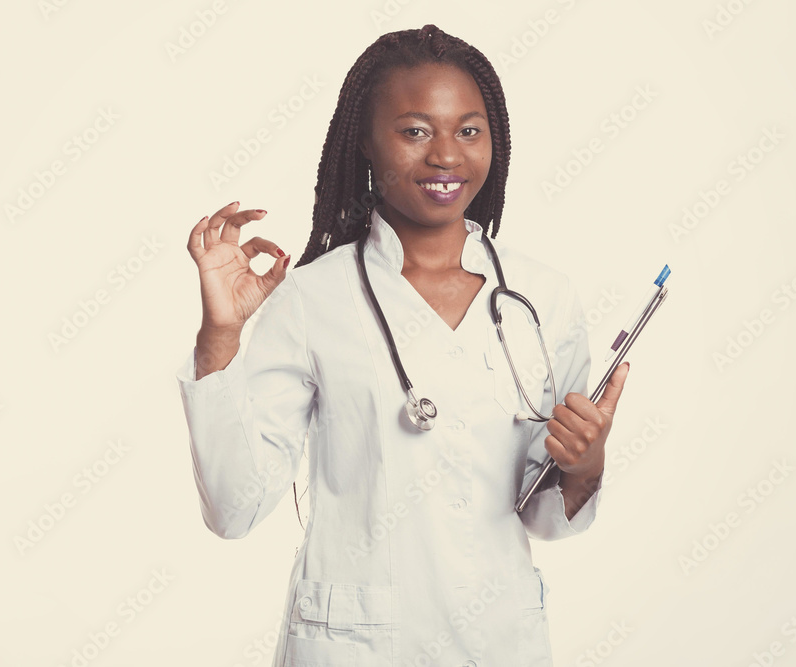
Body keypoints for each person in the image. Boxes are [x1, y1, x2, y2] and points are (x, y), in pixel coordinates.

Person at [177, 24, 630, 667]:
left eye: (469, 130)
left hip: (497, 639)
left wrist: (585, 465)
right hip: (352, 645)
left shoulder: (542, 298)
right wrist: (220, 338)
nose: (447, 155)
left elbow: (547, 519)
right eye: (415, 130)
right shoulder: (311, 299)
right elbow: (234, 508)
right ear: (363, 141)